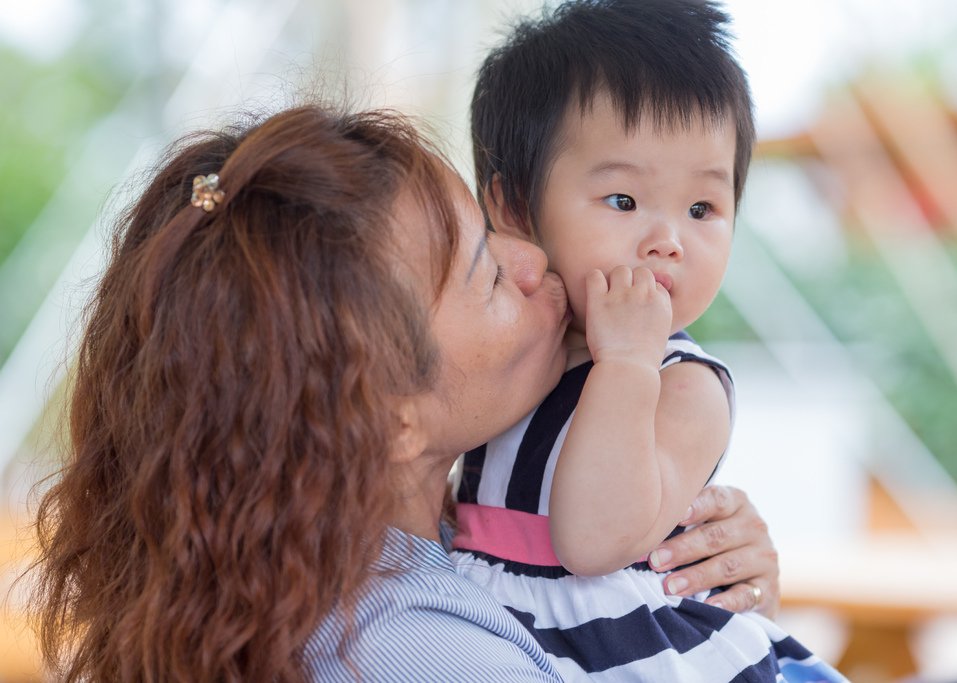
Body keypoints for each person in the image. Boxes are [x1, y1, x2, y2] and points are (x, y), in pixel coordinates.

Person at [31, 103, 784, 682]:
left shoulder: (363, 575)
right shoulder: (412, 650)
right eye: (487, 274)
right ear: (381, 415)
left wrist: (715, 607)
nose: (534, 260)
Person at [451, 1, 848, 681]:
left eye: (702, 208)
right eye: (624, 201)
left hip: (640, 657)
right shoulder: (500, 355)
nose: (668, 238)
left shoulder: (682, 384)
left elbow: (593, 539)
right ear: (515, 206)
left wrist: (628, 363)